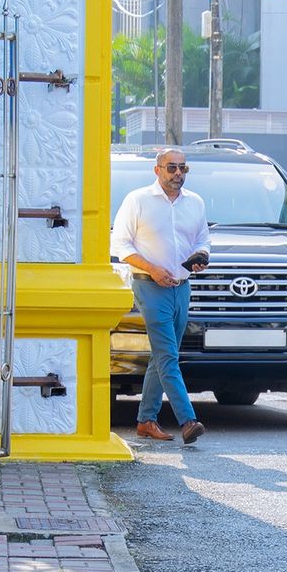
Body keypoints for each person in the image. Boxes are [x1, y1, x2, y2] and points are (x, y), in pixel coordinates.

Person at [111, 148, 210, 445]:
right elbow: (121, 245)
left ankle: (145, 420)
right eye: (171, 168)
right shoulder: (137, 200)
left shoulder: (195, 203)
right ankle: (188, 420)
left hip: (182, 287)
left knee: (162, 354)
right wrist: (153, 269)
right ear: (157, 170)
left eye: (182, 168)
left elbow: (203, 239)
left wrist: (202, 256)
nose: (177, 173)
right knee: (168, 355)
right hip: (149, 286)